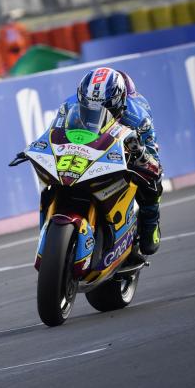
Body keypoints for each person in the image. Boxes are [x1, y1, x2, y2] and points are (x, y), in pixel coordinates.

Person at [50, 67, 162, 256]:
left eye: (103, 107)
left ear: (118, 103)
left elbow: (153, 158)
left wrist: (140, 156)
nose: (95, 111)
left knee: (152, 179)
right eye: (89, 106)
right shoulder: (68, 106)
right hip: (85, 146)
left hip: (122, 149)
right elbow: (54, 134)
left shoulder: (139, 117)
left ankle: (151, 225)